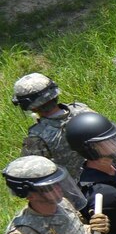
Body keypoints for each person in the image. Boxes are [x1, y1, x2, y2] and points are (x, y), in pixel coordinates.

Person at [13, 72, 92, 208]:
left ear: (30, 106)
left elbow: (31, 175)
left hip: (79, 197)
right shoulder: (83, 110)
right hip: (109, 175)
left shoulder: (37, 137)